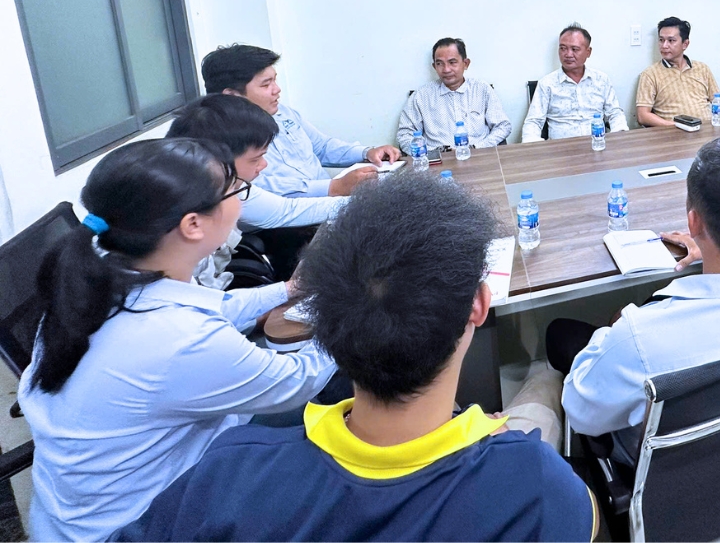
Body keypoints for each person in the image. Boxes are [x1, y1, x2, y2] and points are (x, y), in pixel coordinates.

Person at [112, 173, 597, 542]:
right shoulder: (535, 484)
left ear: (323, 319)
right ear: (479, 304)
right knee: (542, 385)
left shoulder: (228, 471)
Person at [18, 139, 337, 541]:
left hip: (70, 519)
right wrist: (349, 315)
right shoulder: (181, 339)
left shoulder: (93, 287)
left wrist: (288, 290)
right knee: (331, 411)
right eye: (235, 191)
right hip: (135, 529)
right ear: (193, 225)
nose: (243, 198)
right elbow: (298, 381)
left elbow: (215, 307)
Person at [548, 135, 720, 463]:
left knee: (560, 333)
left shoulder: (640, 337)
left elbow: (581, 412)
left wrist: (614, 329)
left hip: (664, 471)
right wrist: (711, 247)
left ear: (693, 222)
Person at [168, 94, 349, 281]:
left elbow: (285, 210)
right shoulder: (176, 234)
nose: (264, 165)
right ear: (216, 161)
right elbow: (198, 296)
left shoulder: (230, 185)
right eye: (255, 159)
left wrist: (359, 203)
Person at [201, 44, 398, 198]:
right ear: (232, 96)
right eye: (266, 85)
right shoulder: (220, 139)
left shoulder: (283, 113)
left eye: (275, 80)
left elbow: (322, 147)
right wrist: (333, 187)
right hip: (291, 224)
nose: (277, 90)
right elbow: (259, 190)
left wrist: (366, 153)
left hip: (332, 201)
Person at [397, 37, 512, 150]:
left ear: (465, 64)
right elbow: (405, 135)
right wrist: (432, 153)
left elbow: (503, 126)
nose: (446, 69)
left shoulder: (482, 89)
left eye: (452, 62)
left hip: (479, 154)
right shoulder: (421, 96)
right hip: (438, 158)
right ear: (434, 66)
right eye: (439, 64)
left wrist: (478, 147)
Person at [522, 24, 628, 141]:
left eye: (574, 49)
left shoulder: (601, 80)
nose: (568, 54)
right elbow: (533, 122)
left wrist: (619, 137)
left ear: (588, 52)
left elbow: (615, 113)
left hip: (596, 144)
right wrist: (535, 146)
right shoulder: (547, 84)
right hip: (560, 148)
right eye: (563, 48)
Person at [635, 16, 720, 127]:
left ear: (685, 44)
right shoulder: (650, 74)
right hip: (674, 132)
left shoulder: (702, 68)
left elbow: (718, 101)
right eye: (661, 40)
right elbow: (643, 116)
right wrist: (676, 126)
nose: (664, 46)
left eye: (671, 40)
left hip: (708, 130)